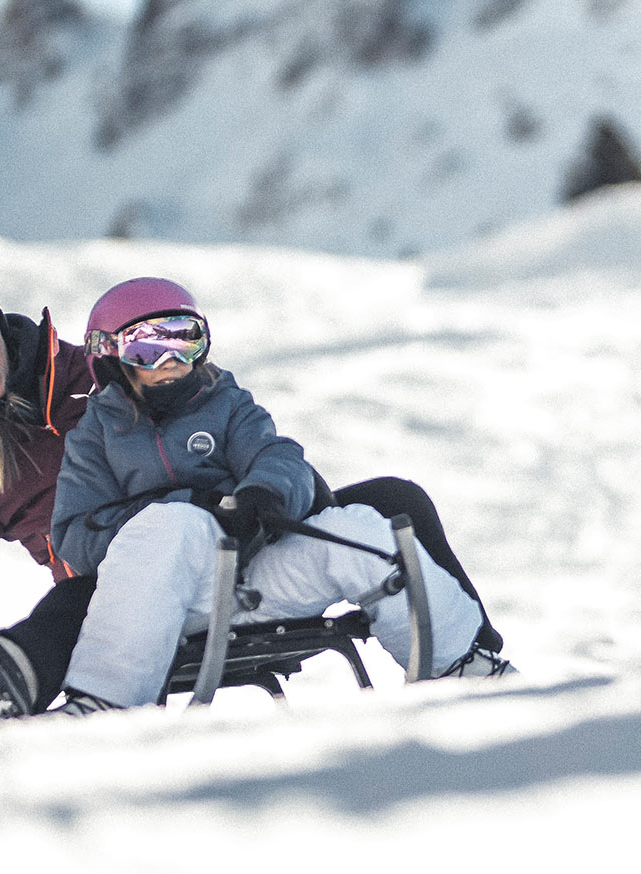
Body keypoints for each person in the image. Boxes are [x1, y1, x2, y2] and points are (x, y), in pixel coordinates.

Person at [0, 261, 509, 729]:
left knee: (393, 501)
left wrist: (272, 495)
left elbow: (248, 435)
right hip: (114, 579)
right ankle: (13, 677)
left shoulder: (103, 371)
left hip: (240, 534)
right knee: (77, 602)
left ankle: (473, 660)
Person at [46, 277, 514, 714]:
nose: (169, 359)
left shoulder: (225, 403)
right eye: (146, 346)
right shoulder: (94, 437)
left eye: (184, 339)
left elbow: (276, 454)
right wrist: (186, 509)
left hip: (258, 582)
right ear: (108, 357)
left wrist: (264, 495)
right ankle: (103, 703)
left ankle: (461, 665)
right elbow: (72, 534)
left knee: (356, 528)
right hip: (174, 598)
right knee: (172, 521)